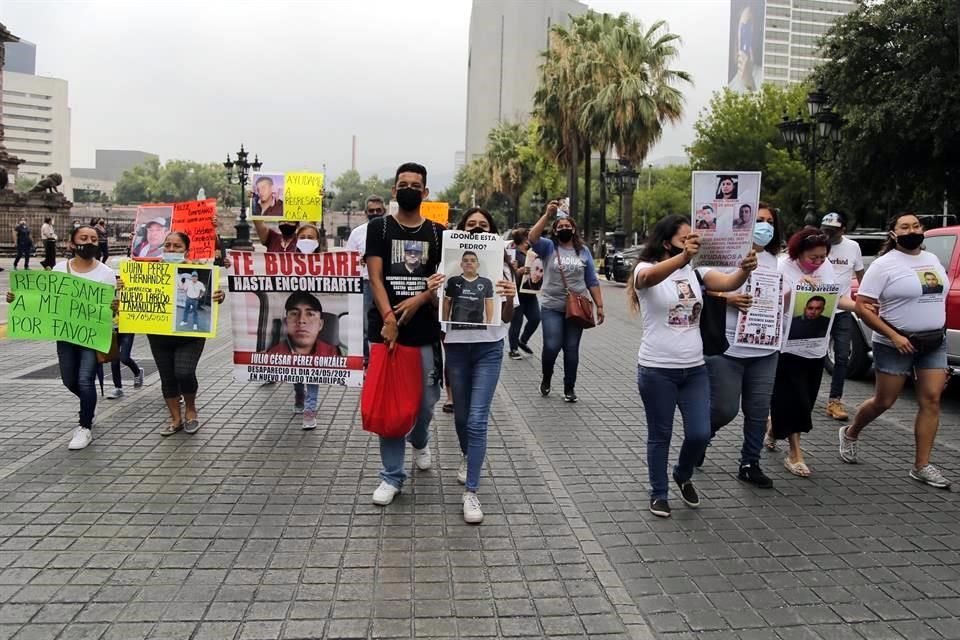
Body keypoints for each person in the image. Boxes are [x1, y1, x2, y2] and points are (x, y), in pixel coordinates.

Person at [629, 214, 757, 517]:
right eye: (684, 239)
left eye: (693, 239)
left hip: (695, 368)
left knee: (699, 433)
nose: (692, 244)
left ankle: (682, 473)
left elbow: (728, 283)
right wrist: (683, 257)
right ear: (666, 243)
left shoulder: (697, 273)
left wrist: (744, 268)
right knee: (660, 435)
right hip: (657, 369)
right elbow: (647, 280)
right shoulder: (645, 269)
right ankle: (659, 493)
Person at [839, 213, 952, 488]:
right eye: (904, 227)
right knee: (884, 401)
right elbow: (863, 307)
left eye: (915, 226)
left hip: (932, 342)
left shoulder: (932, 260)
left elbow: (937, 299)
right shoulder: (883, 265)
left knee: (932, 400)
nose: (911, 230)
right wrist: (894, 336)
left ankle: (921, 465)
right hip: (893, 343)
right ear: (893, 233)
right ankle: (851, 432)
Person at [365, 162, 445, 506]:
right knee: (391, 406)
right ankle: (391, 476)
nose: (409, 188)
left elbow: (444, 281)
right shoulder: (379, 228)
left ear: (425, 192)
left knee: (426, 403)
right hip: (387, 332)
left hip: (425, 331)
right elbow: (375, 277)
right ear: (394, 190)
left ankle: (421, 438)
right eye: (403, 183)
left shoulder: (439, 233)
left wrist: (421, 299)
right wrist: (389, 317)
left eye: (416, 184)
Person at [6, 225, 118, 450]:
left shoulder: (105, 273)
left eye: (94, 239)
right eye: (84, 238)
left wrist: (114, 307)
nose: (89, 242)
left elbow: (110, 310)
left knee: (86, 380)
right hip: (66, 335)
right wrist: (17, 299)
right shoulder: (59, 269)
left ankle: (84, 427)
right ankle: (89, 403)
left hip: (91, 336)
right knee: (70, 380)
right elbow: (45, 301)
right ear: (72, 244)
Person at [442, 208, 518, 523]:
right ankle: (466, 455)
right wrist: (435, 290)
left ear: (492, 232)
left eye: (483, 225)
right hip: (457, 348)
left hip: (489, 348)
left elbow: (508, 317)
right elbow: (440, 311)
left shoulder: (501, 269)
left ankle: (471, 491)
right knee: (461, 416)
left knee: (476, 420)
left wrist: (511, 297)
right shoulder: (446, 269)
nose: (476, 228)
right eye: (470, 224)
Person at [700, 203, 783, 488]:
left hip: (765, 349)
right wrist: (728, 299)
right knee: (724, 409)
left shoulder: (777, 260)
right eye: (758, 220)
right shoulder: (722, 254)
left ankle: (750, 463)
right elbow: (700, 288)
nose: (764, 226)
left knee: (758, 411)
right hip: (727, 347)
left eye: (769, 221)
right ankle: (699, 439)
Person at [768, 228, 854, 477]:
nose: (817, 262)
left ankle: (774, 429)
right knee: (793, 398)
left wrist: (863, 306)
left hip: (815, 346)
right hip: (787, 346)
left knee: (805, 398)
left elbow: (837, 299)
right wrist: (794, 290)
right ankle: (794, 453)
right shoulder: (783, 266)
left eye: (822, 257)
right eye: (813, 257)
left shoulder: (825, 268)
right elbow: (772, 303)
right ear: (798, 252)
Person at [148, 232, 225, 437]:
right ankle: (175, 418)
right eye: (168, 246)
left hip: (189, 336)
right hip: (158, 333)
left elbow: (211, 293)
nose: (171, 250)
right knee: (167, 376)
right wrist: (124, 289)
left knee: (184, 372)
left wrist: (219, 295)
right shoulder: (149, 271)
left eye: (177, 247)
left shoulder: (198, 269)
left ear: (186, 250)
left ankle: (191, 409)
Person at [527, 201, 605, 403]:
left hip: (577, 308)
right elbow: (532, 237)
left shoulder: (583, 252)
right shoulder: (548, 247)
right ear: (554, 230)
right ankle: (546, 377)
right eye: (559, 226)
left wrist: (600, 305)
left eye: (567, 226)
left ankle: (569, 387)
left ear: (574, 229)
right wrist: (547, 214)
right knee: (552, 346)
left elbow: (591, 280)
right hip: (552, 306)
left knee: (571, 349)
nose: (564, 229)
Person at [252, 215, 303, 408]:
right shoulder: (272, 238)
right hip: (274, 299)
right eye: (283, 220)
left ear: (297, 223)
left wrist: (317, 202)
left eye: (291, 220)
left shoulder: (302, 239)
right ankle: (271, 371)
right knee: (274, 337)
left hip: (296, 300)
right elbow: (258, 223)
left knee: (297, 345)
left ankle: (299, 392)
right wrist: (254, 205)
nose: (286, 224)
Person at [820, 211, 865, 420]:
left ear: (843, 229)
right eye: (825, 230)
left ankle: (834, 401)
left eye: (832, 231)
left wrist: (864, 301)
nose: (827, 234)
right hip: (817, 308)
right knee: (812, 354)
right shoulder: (817, 245)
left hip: (843, 310)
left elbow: (861, 276)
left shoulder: (852, 247)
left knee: (841, 356)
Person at [345, 196, 387, 364]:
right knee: (365, 321)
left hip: (387, 282)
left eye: (378, 210)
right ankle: (367, 357)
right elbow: (348, 258)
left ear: (384, 211)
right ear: (365, 213)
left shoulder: (391, 229)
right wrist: (360, 260)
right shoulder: (357, 233)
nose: (375, 213)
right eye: (371, 211)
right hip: (365, 282)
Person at [507, 229, 541, 360]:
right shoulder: (513, 254)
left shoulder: (533, 253)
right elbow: (508, 273)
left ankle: (523, 341)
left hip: (530, 293)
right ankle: (513, 349)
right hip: (517, 294)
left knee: (536, 318)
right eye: (528, 239)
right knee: (517, 322)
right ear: (524, 240)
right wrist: (519, 271)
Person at [443, 251, 494, 326]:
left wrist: (489, 323)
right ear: (461, 264)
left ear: (478, 265)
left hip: (477, 325)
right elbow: (447, 302)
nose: (469, 263)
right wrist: (445, 322)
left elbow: (489, 302)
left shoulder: (486, 282)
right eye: (465, 260)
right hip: (456, 325)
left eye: (473, 260)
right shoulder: (453, 280)